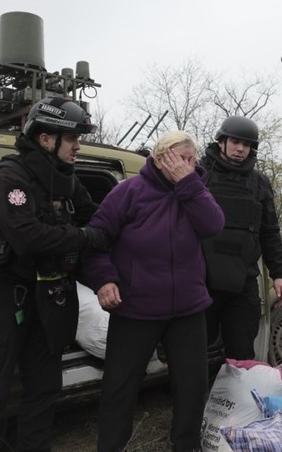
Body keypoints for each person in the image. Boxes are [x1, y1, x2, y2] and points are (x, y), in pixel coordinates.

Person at [0, 97, 109, 452]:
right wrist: (86, 237)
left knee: (44, 389)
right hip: (1, 296)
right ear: (46, 139)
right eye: (72, 138)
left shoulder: (66, 181)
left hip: (45, 298)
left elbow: (98, 215)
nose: (78, 146)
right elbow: (27, 238)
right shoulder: (7, 178)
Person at [79, 130, 225, 452]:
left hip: (187, 307)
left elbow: (213, 225)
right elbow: (95, 241)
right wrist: (104, 279)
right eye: (180, 158)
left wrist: (189, 185)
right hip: (136, 307)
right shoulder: (128, 192)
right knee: (119, 387)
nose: (188, 165)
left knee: (192, 385)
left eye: (192, 159)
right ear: (160, 160)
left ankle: (186, 446)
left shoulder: (196, 191)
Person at [199, 116, 282, 361]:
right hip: (203, 280)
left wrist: (279, 274)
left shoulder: (259, 182)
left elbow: (270, 232)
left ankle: (238, 387)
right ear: (221, 142)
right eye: (235, 142)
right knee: (197, 353)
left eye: (246, 145)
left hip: (243, 281)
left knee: (242, 354)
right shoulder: (200, 174)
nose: (240, 149)